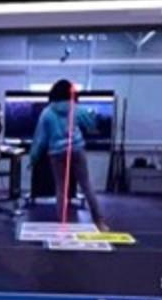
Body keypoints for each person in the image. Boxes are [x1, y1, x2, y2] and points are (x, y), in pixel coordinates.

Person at [26, 78, 108, 233]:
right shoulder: (75, 108)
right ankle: (100, 223)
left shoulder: (47, 113)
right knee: (86, 185)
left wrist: (33, 158)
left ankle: (64, 224)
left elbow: (40, 139)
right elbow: (92, 124)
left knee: (60, 188)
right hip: (76, 149)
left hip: (56, 153)